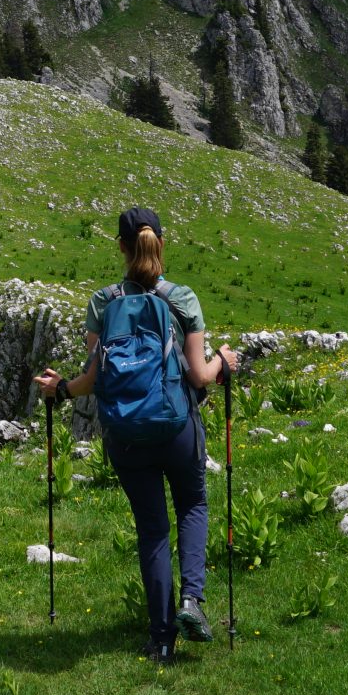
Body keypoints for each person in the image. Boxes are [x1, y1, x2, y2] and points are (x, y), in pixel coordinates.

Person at [35, 206, 241, 663]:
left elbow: (94, 377)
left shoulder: (103, 303)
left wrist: (60, 389)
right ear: (161, 243)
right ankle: (192, 600)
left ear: (122, 248)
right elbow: (199, 376)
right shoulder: (182, 299)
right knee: (192, 503)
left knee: (152, 530)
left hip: (126, 433)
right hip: (177, 428)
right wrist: (224, 362)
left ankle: (162, 639)